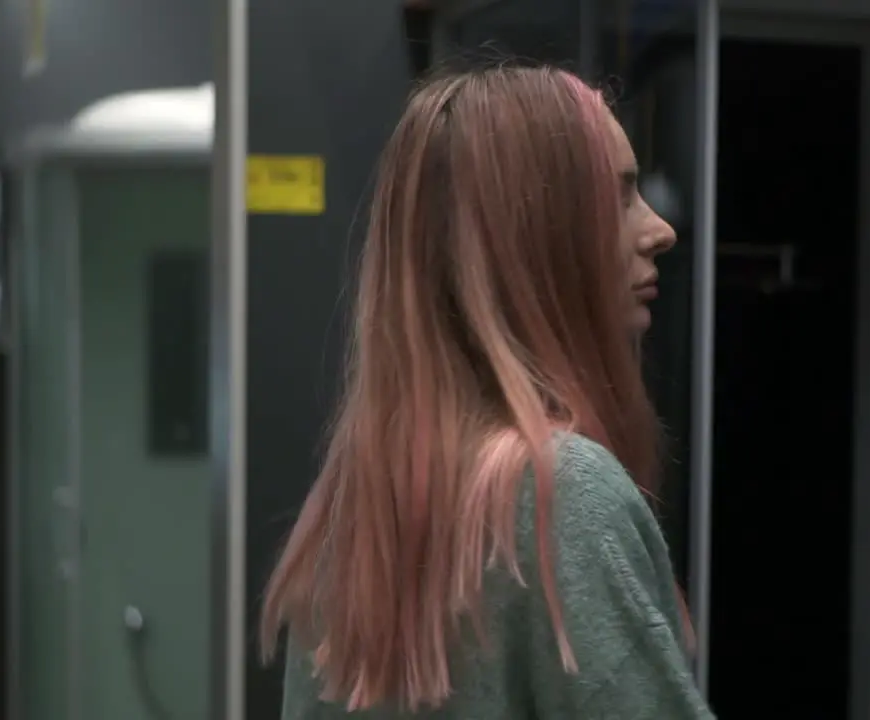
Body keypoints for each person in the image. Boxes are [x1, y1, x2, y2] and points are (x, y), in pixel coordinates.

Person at [260, 64, 714, 719]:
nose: (660, 230)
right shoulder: (563, 493)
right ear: (534, 239)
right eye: (617, 198)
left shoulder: (359, 509)